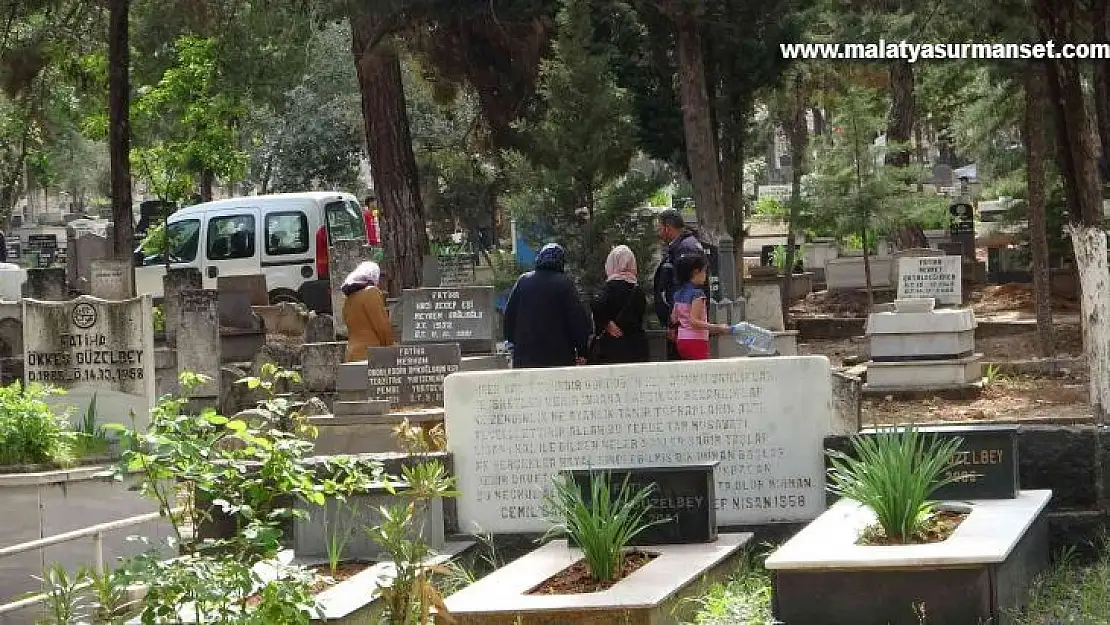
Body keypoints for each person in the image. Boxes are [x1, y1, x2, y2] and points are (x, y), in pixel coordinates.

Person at [503, 243, 592, 368]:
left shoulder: (523, 281)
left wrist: (512, 343)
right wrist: (583, 351)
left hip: (525, 357)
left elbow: (509, 317)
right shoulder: (564, 284)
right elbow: (577, 320)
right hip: (558, 358)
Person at [652, 209, 706, 359]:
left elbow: (682, 289)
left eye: (659, 227)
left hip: (685, 328)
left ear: (667, 227)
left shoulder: (686, 248)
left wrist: (675, 324)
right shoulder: (680, 246)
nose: (658, 231)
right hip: (682, 325)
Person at [589, 245, 649, 364]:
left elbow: (596, 303)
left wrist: (606, 323)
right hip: (636, 347)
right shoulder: (637, 290)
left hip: (612, 347)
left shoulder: (609, 288)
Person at [671, 253, 731, 360]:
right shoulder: (698, 294)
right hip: (696, 340)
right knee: (701, 372)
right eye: (704, 271)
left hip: (681, 339)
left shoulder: (678, 294)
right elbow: (694, 321)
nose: (705, 275)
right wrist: (718, 327)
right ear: (696, 272)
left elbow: (674, 318)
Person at [341, 261, 395, 362]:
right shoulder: (371, 292)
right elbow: (382, 326)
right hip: (370, 354)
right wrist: (392, 347)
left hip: (351, 354)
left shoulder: (348, 299)